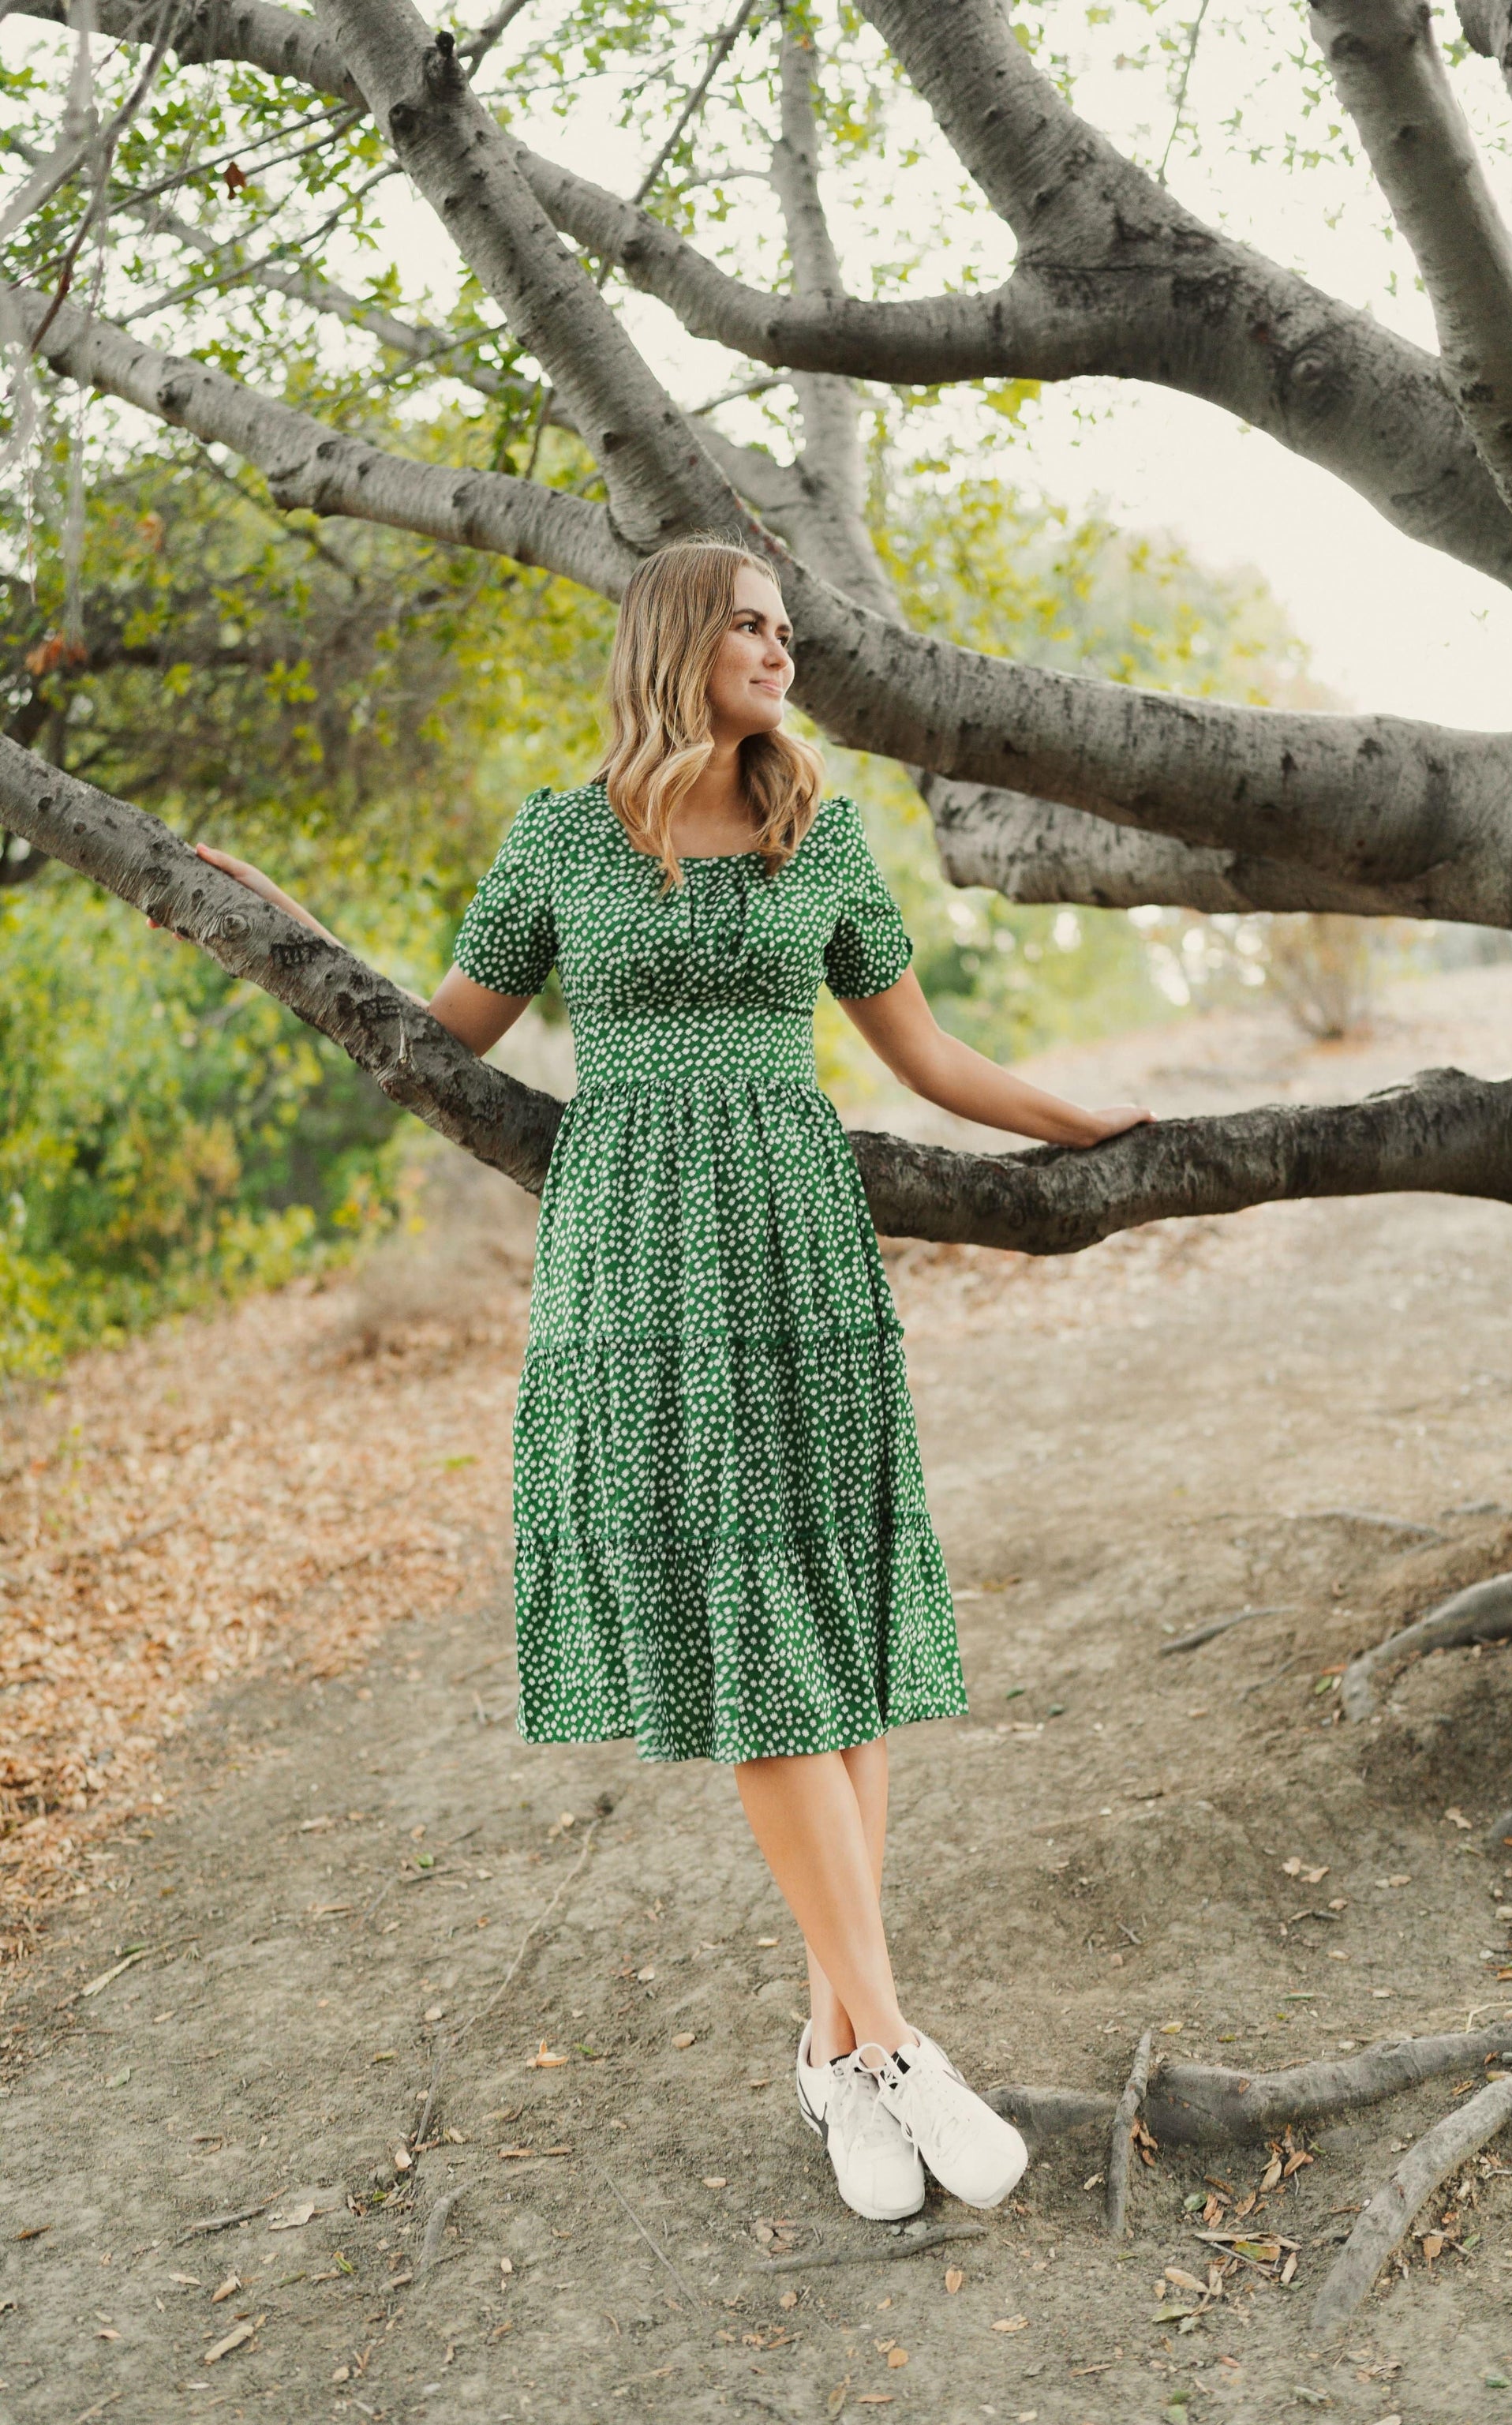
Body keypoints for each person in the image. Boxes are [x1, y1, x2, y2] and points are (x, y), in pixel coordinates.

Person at [196, 537, 1153, 2225]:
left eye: (789, 627)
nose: (781, 649)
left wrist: (1091, 1126)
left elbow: (923, 1056)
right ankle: (902, 2048)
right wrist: (293, 940)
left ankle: (834, 2052)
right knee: (748, 1632)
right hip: (634, 1273)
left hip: (794, 1247)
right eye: (751, 623)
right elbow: (441, 1037)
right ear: (675, 640)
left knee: (827, 1640)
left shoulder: (817, 832)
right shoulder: (564, 838)